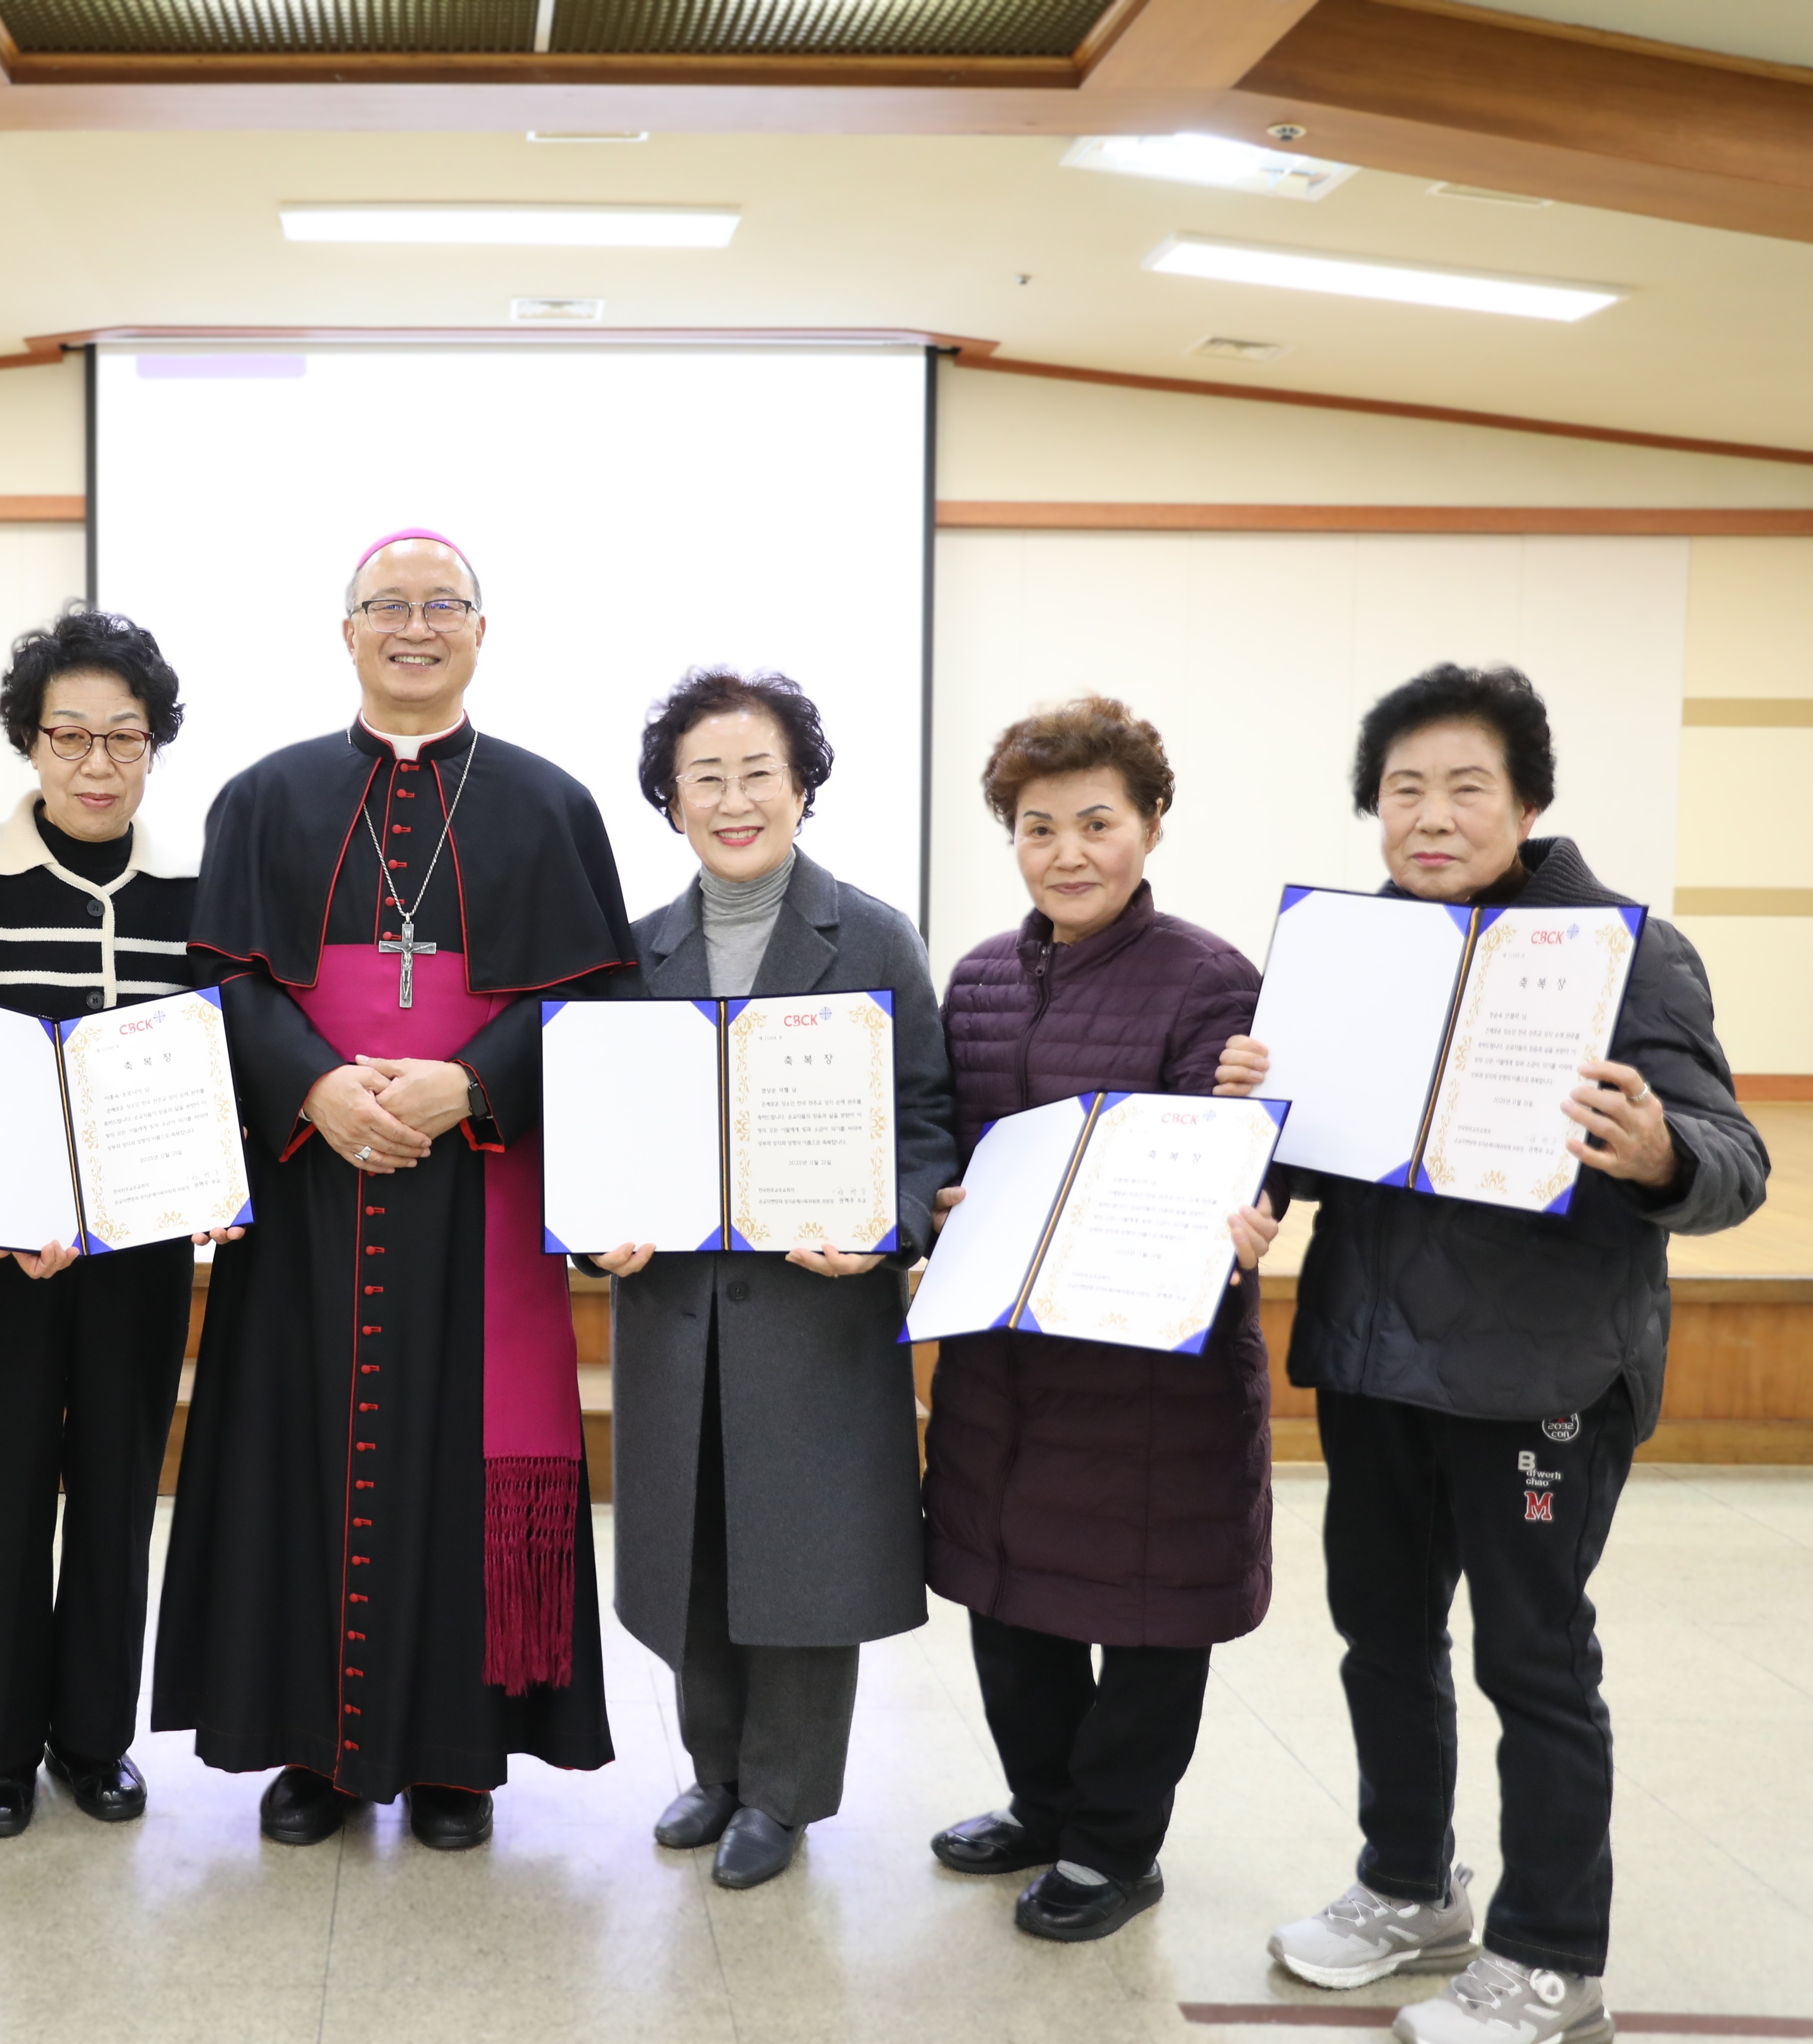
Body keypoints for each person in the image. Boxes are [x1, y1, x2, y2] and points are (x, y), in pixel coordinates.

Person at [1234, 666, 1766, 2044]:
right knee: (1383, 1640)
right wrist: (1250, 1129)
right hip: (1372, 1360)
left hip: (1542, 1378)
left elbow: (1733, 1162)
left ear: (1528, 798)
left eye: (1466, 784)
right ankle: (1409, 1887)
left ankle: (1551, 1957)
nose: (1432, 814)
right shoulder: (1356, 950)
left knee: (1534, 1662)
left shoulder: (1622, 952)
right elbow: (1317, 1145)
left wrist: (1657, 1154)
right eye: (1403, 788)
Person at [152, 529, 634, 1851]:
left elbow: (592, 998)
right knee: (295, 1448)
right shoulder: (264, 796)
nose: (414, 626)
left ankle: (456, 1758)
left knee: (463, 1459)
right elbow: (229, 985)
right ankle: (309, 1748)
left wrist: (469, 1086)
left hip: (477, 1190)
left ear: (482, 629)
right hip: (313, 1189)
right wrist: (314, 1088)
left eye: (443, 605)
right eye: (388, 606)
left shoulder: (548, 805)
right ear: (346, 630)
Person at [587, 668, 958, 1890]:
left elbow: (922, 1122)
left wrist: (890, 1226)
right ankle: (716, 1769)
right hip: (676, 1311)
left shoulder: (876, 936)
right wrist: (598, 1232)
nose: (735, 800)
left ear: (802, 788)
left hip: (815, 1306)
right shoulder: (635, 952)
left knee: (798, 1555)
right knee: (694, 1545)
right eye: (708, 778)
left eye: (760, 774)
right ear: (670, 800)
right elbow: (595, 1133)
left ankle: (785, 1796)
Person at [923, 694, 1281, 1942]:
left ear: (1152, 826)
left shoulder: (1210, 978)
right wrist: (946, 1203)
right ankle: (1045, 1804)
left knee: (1143, 1609)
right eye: (1037, 827)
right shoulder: (972, 979)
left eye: (1097, 822)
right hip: (1004, 1365)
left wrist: (1243, 1206)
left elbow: (1234, 1154)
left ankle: (1117, 1847)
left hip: (1152, 1374)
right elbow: (942, 1150)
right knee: (1008, 1593)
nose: (1067, 852)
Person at [0, 606, 240, 1840]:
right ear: (31, 744)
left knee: (115, 1489)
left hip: (141, 1259)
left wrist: (214, 1187)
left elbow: (218, 1064)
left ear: (156, 747)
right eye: (71, 737)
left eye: (124, 739)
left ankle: (96, 1740)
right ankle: (0, 1751)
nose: (98, 765)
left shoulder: (195, 891)